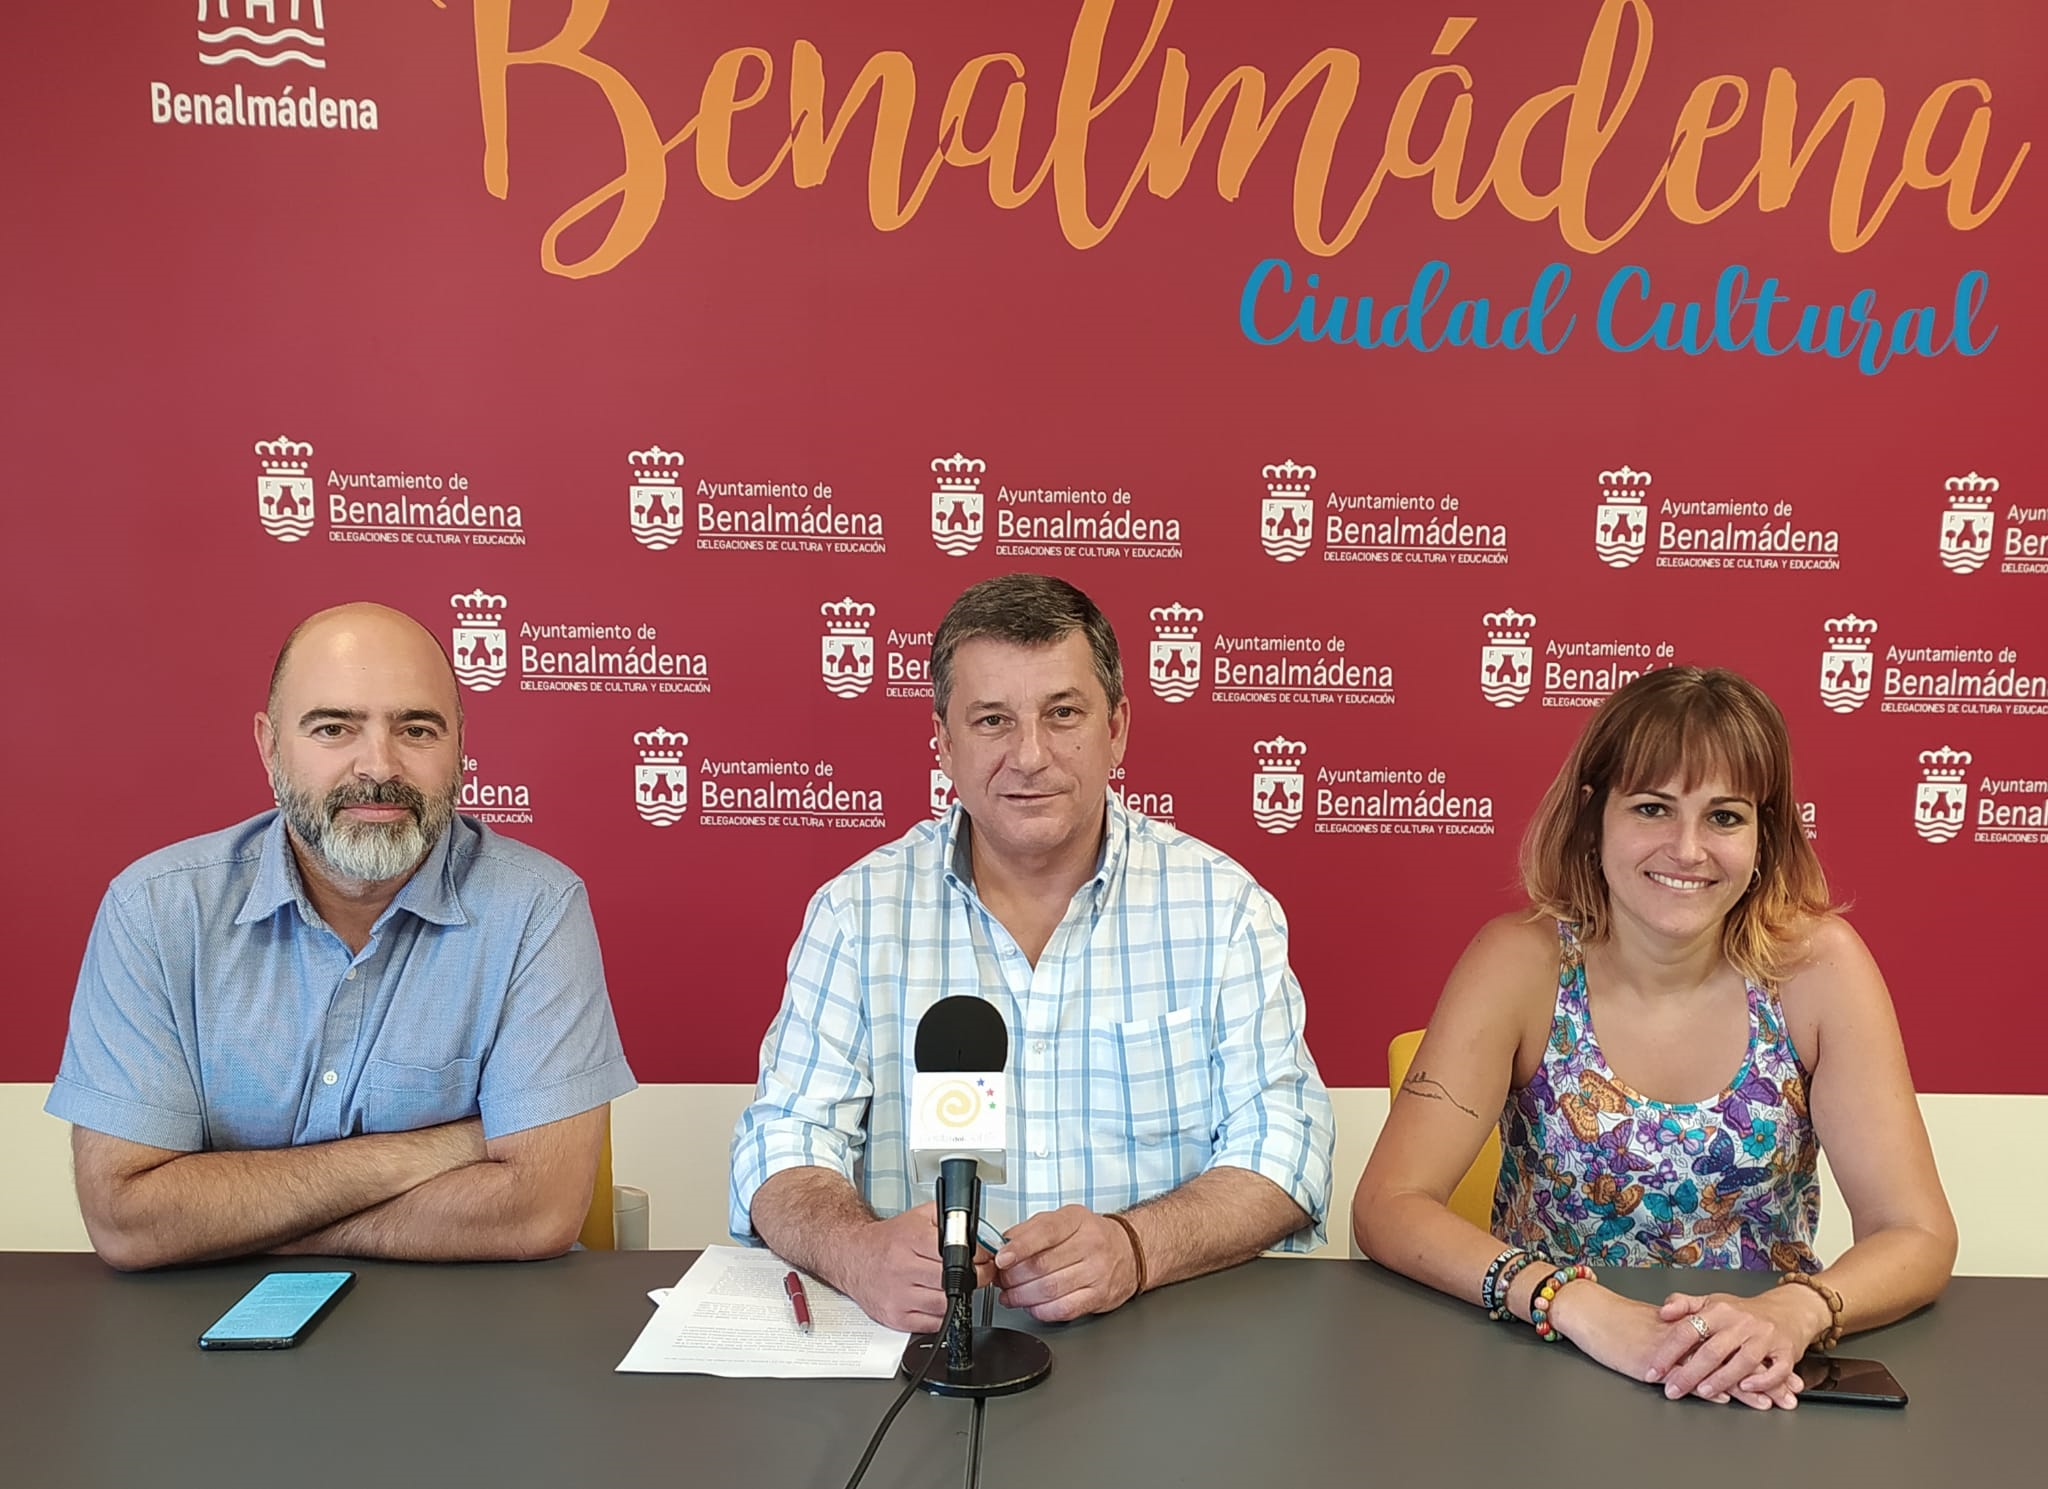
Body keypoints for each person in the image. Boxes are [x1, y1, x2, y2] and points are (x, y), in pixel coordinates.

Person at [730, 574, 1335, 1331]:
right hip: (926, 1346)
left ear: (1117, 729)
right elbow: (782, 1140)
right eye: (992, 720)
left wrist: (1136, 1247)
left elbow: (1288, 1144)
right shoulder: (857, 914)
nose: (1030, 755)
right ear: (943, 743)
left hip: (1160, 1332)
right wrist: (858, 1253)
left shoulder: (1223, 907)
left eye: (1063, 714)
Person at [1353, 667, 1955, 1409]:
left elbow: (1915, 1231)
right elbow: (1389, 1203)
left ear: (1765, 834)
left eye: (1724, 816)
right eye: (1652, 808)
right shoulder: (1521, 962)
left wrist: (1795, 1311)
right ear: (1592, 816)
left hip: (1753, 1378)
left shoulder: (1817, 967)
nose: (1688, 849)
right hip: (1546, 1366)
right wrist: (1572, 1303)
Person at [47, 602, 636, 1269]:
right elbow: (128, 1220)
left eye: (416, 729)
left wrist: (238, 1220)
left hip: (472, 1321)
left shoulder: (537, 906)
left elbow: (536, 1212)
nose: (378, 766)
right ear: (270, 745)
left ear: (460, 746)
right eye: (334, 728)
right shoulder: (155, 910)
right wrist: (443, 1147)